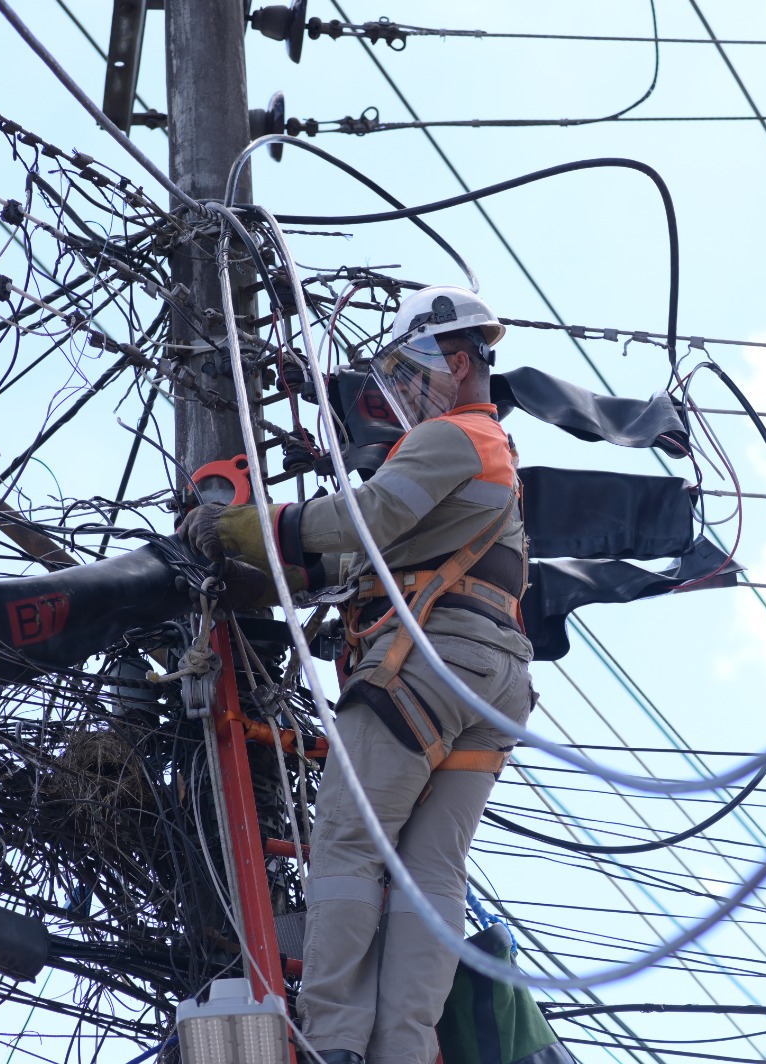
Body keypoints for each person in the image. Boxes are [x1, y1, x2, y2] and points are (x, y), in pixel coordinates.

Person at [183, 285, 534, 1064]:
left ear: (461, 358)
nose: (403, 394)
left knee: (345, 840)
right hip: (493, 682)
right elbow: (373, 560)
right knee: (430, 872)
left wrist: (253, 526)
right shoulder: (495, 465)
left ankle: (336, 1042)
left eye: (411, 372)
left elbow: (367, 516)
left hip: (431, 668)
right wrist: (293, 577)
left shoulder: (455, 436)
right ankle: (401, 1051)